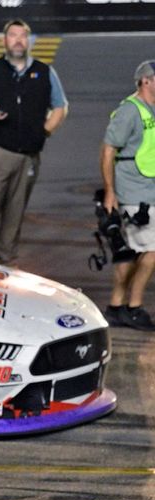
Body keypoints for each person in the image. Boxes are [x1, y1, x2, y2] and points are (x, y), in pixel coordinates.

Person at [0, 19, 68, 266]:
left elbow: (60, 106)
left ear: (28, 41)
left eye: (23, 36)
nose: (18, 40)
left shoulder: (44, 72)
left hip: (28, 155)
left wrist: (44, 133)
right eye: (13, 35)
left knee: (15, 213)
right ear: (4, 41)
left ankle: (6, 262)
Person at [99, 61, 155, 331]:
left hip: (149, 187)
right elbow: (109, 149)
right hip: (134, 190)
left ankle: (117, 305)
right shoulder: (129, 111)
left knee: (133, 253)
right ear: (146, 81)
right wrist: (110, 191)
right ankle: (133, 307)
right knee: (151, 251)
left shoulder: (151, 109)